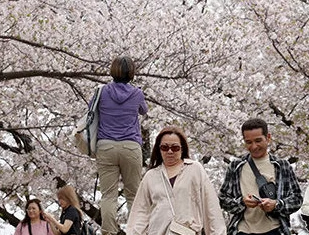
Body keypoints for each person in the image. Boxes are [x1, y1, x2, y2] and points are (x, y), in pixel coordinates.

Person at [126, 126, 226, 235]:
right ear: (159, 149)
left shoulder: (195, 169)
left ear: (182, 149)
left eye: (175, 148)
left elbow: (211, 207)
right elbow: (140, 212)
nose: (169, 151)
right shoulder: (150, 176)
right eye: (164, 147)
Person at [219, 118, 303, 235]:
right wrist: (242, 202)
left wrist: (276, 204)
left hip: (275, 230)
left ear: (268, 138)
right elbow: (223, 199)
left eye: (258, 140)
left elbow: (297, 199)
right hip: (242, 230)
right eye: (249, 142)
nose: (254, 146)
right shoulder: (236, 167)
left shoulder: (282, 166)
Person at [95, 56, 148, 235]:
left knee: (108, 195)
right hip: (130, 146)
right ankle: (136, 231)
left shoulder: (101, 92)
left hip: (106, 145)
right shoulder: (137, 93)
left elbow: (91, 112)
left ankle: (108, 232)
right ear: (131, 73)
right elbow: (144, 110)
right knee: (133, 194)